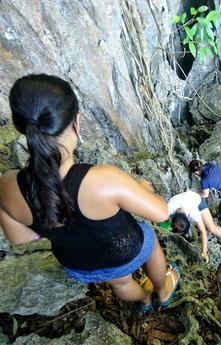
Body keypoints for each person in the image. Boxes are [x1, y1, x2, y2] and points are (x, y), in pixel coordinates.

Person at [0, 74, 181, 313]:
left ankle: (145, 300)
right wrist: (142, 189)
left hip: (77, 265)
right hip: (124, 252)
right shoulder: (102, 180)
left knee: (120, 281)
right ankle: (162, 289)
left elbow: (18, 238)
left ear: (20, 126)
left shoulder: (8, 185)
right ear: (77, 121)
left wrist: (52, 222)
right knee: (150, 240)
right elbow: (160, 213)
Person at [168, 190, 221, 262]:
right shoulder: (169, 207)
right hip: (187, 197)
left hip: (197, 201)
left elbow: (203, 231)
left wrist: (204, 251)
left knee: (211, 228)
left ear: (189, 219)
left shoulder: (193, 212)